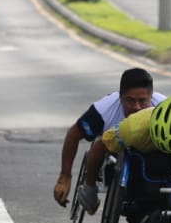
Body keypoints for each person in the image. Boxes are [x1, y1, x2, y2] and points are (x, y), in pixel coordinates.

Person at [52, 67, 163, 207]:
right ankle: (89, 190)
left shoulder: (162, 108)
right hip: (110, 147)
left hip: (147, 152)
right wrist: (65, 176)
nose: (137, 107)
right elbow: (73, 135)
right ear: (120, 97)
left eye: (142, 101)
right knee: (100, 145)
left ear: (151, 97)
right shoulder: (104, 110)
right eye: (130, 101)